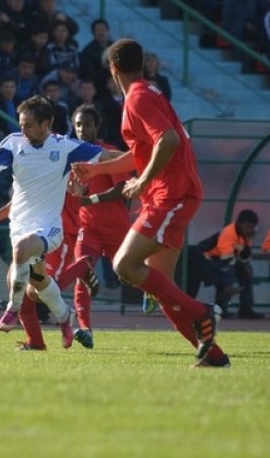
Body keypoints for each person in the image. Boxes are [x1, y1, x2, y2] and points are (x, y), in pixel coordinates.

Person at [72, 38, 231, 368]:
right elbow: (141, 153)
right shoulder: (148, 92)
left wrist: (143, 181)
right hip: (168, 194)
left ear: (113, 69)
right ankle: (213, 355)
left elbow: (167, 140)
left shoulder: (137, 97)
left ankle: (202, 312)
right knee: (162, 289)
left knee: (124, 266)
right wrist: (97, 169)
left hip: (170, 194)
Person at [0, 95, 110, 348]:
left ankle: (11, 310)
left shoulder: (64, 147)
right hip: (19, 225)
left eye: (28, 125)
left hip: (50, 227)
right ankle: (64, 317)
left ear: (45, 124)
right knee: (36, 282)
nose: (23, 129)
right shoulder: (13, 143)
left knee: (22, 252)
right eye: (21, 124)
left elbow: (108, 156)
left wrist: (143, 157)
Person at [67, 104, 131, 349]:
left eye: (88, 124)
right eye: (78, 125)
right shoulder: (71, 156)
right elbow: (73, 191)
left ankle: (160, 294)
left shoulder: (108, 153)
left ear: (97, 126)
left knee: (133, 275)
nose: (83, 129)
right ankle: (85, 329)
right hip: (88, 228)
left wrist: (89, 199)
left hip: (116, 228)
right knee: (82, 271)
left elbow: (121, 189)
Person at [187, 210, 265, 319]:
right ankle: (223, 302)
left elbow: (243, 257)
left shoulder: (245, 237)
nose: (250, 230)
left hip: (221, 260)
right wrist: (242, 265)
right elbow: (226, 257)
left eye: (253, 227)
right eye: (248, 227)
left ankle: (245, 308)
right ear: (240, 224)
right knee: (227, 269)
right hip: (207, 259)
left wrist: (245, 265)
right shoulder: (229, 233)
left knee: (247, 272)